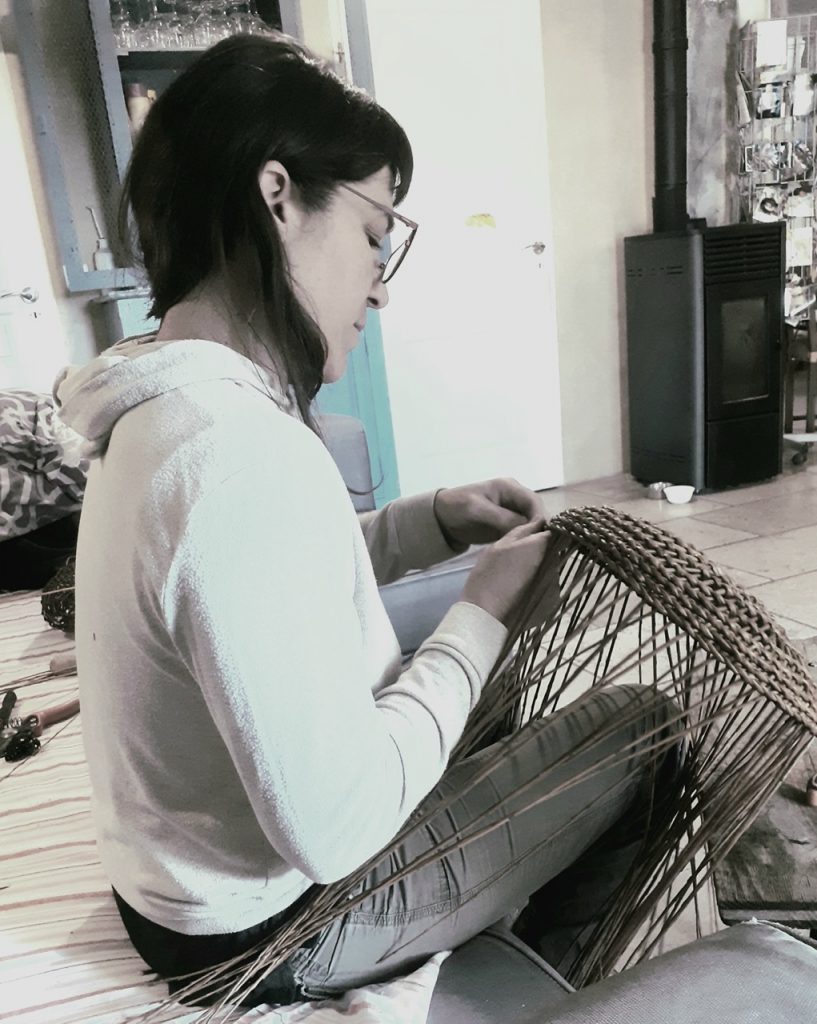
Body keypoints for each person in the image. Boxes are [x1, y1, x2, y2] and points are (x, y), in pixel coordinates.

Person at [54, 34, 675, 1008]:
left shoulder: (163, 408)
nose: (380, 284)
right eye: (374, 233)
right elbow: (335, 829)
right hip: (267, 927)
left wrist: (430, 522)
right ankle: (529, 992)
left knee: (492, 701)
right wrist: (481, 615)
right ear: (276, 196)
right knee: (644, 731)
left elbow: (251, 590)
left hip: (175, 893)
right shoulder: (233, 452)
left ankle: (477, 922)